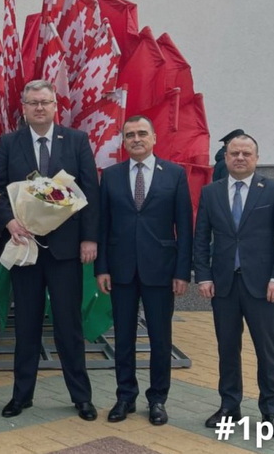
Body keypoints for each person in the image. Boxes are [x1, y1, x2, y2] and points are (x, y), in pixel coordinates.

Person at [0, 79, 100, 421]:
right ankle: (21, 396)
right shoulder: (10, 143)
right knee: (26, 325)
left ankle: (81, 397)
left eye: (46, 102)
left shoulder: (77, 141)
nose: (40, 107)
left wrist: (89, 238)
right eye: (33, 102)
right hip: (25, 248)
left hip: (66, 251)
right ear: (23, 108)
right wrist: (8, 223)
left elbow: (90, 193)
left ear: (56, 106)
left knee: (69, 326)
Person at [194, 134, 274, 434]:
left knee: (266, 351)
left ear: (256, 158)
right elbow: (201, 238)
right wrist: (203, 275)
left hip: (264, 287)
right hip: (224, 286)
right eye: (234, 153)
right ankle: (230, 407)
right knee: (227, 348)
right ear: (225, 157)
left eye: (246, 153)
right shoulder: (211, 193)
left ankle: (271, 412)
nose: (240, 157)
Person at [95, 115, 193, 426]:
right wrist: (102, 268)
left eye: (141, 134)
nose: (136, 139)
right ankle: (125, 396)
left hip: (161, 271)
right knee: (123, 338)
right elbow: (102, 226)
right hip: (121, 270)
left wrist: (182, 271)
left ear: (153, 138)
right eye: (129, 135)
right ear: (123, 142)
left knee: (160, 339)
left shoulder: (175, 174)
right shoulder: (110, 176)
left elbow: (184, 228)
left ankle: (158, 399)